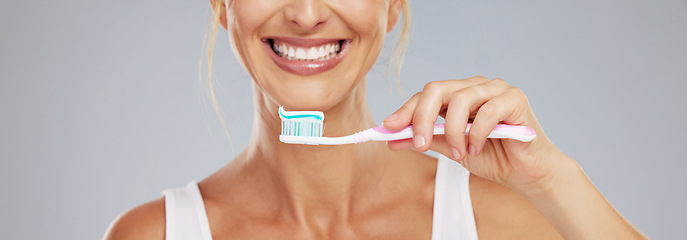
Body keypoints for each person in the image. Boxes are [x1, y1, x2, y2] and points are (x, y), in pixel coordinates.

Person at [104, 0, 647, 239]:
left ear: (393, 5)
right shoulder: (154, 235)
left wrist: (552, 178)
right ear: (222, 5)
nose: (307, 13)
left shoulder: (500, 225)